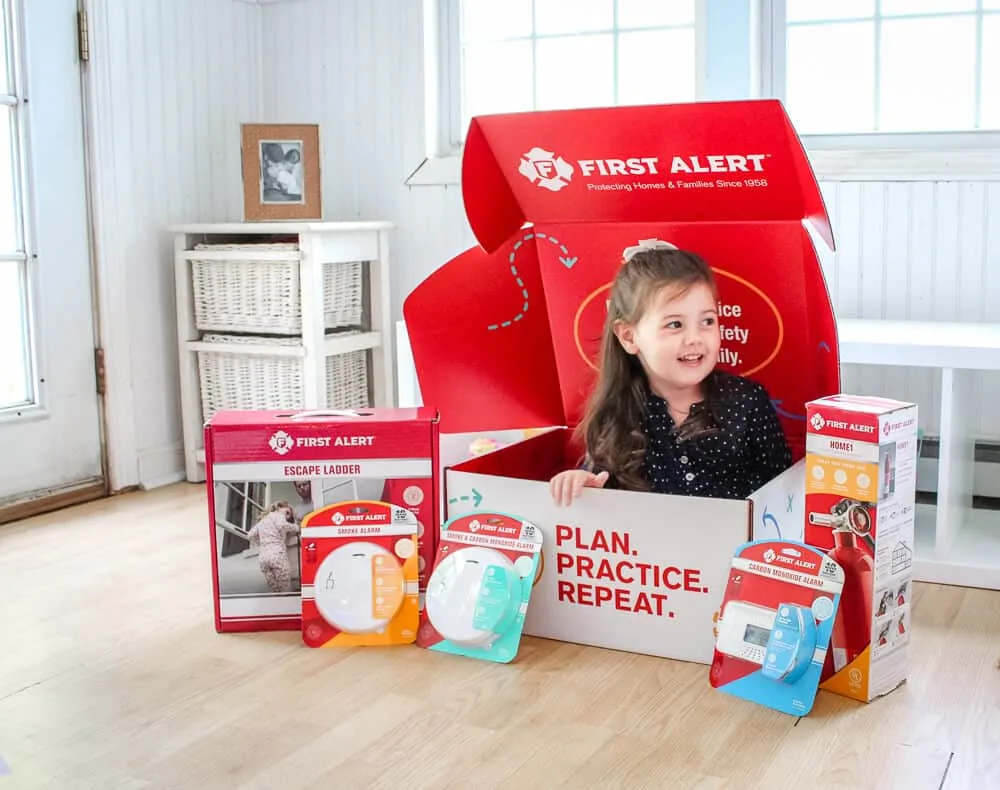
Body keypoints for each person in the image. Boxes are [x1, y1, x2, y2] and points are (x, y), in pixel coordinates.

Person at [549, 239, 792, 506]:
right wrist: (581, 483)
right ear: (629, 336)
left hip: (734, 545)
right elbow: (600, 485)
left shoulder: (747, 401)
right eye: (675, 324)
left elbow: (783, 490)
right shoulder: (616, 411)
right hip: (649, 544)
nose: (695, 338)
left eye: (708, 321)